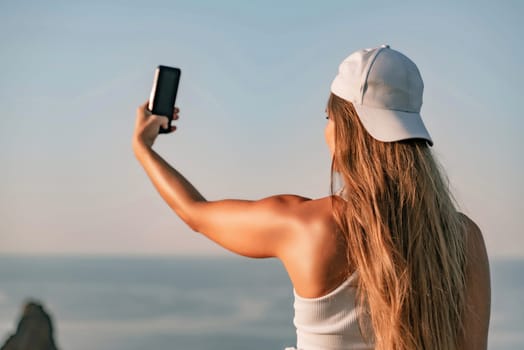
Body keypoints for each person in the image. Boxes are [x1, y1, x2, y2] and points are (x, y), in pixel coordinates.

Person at [132, 44, 491, 350]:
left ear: (348, 131)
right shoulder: (464, 239)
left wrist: (143, 148)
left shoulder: (309, 225)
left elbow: (196, 213)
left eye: (328, 118)